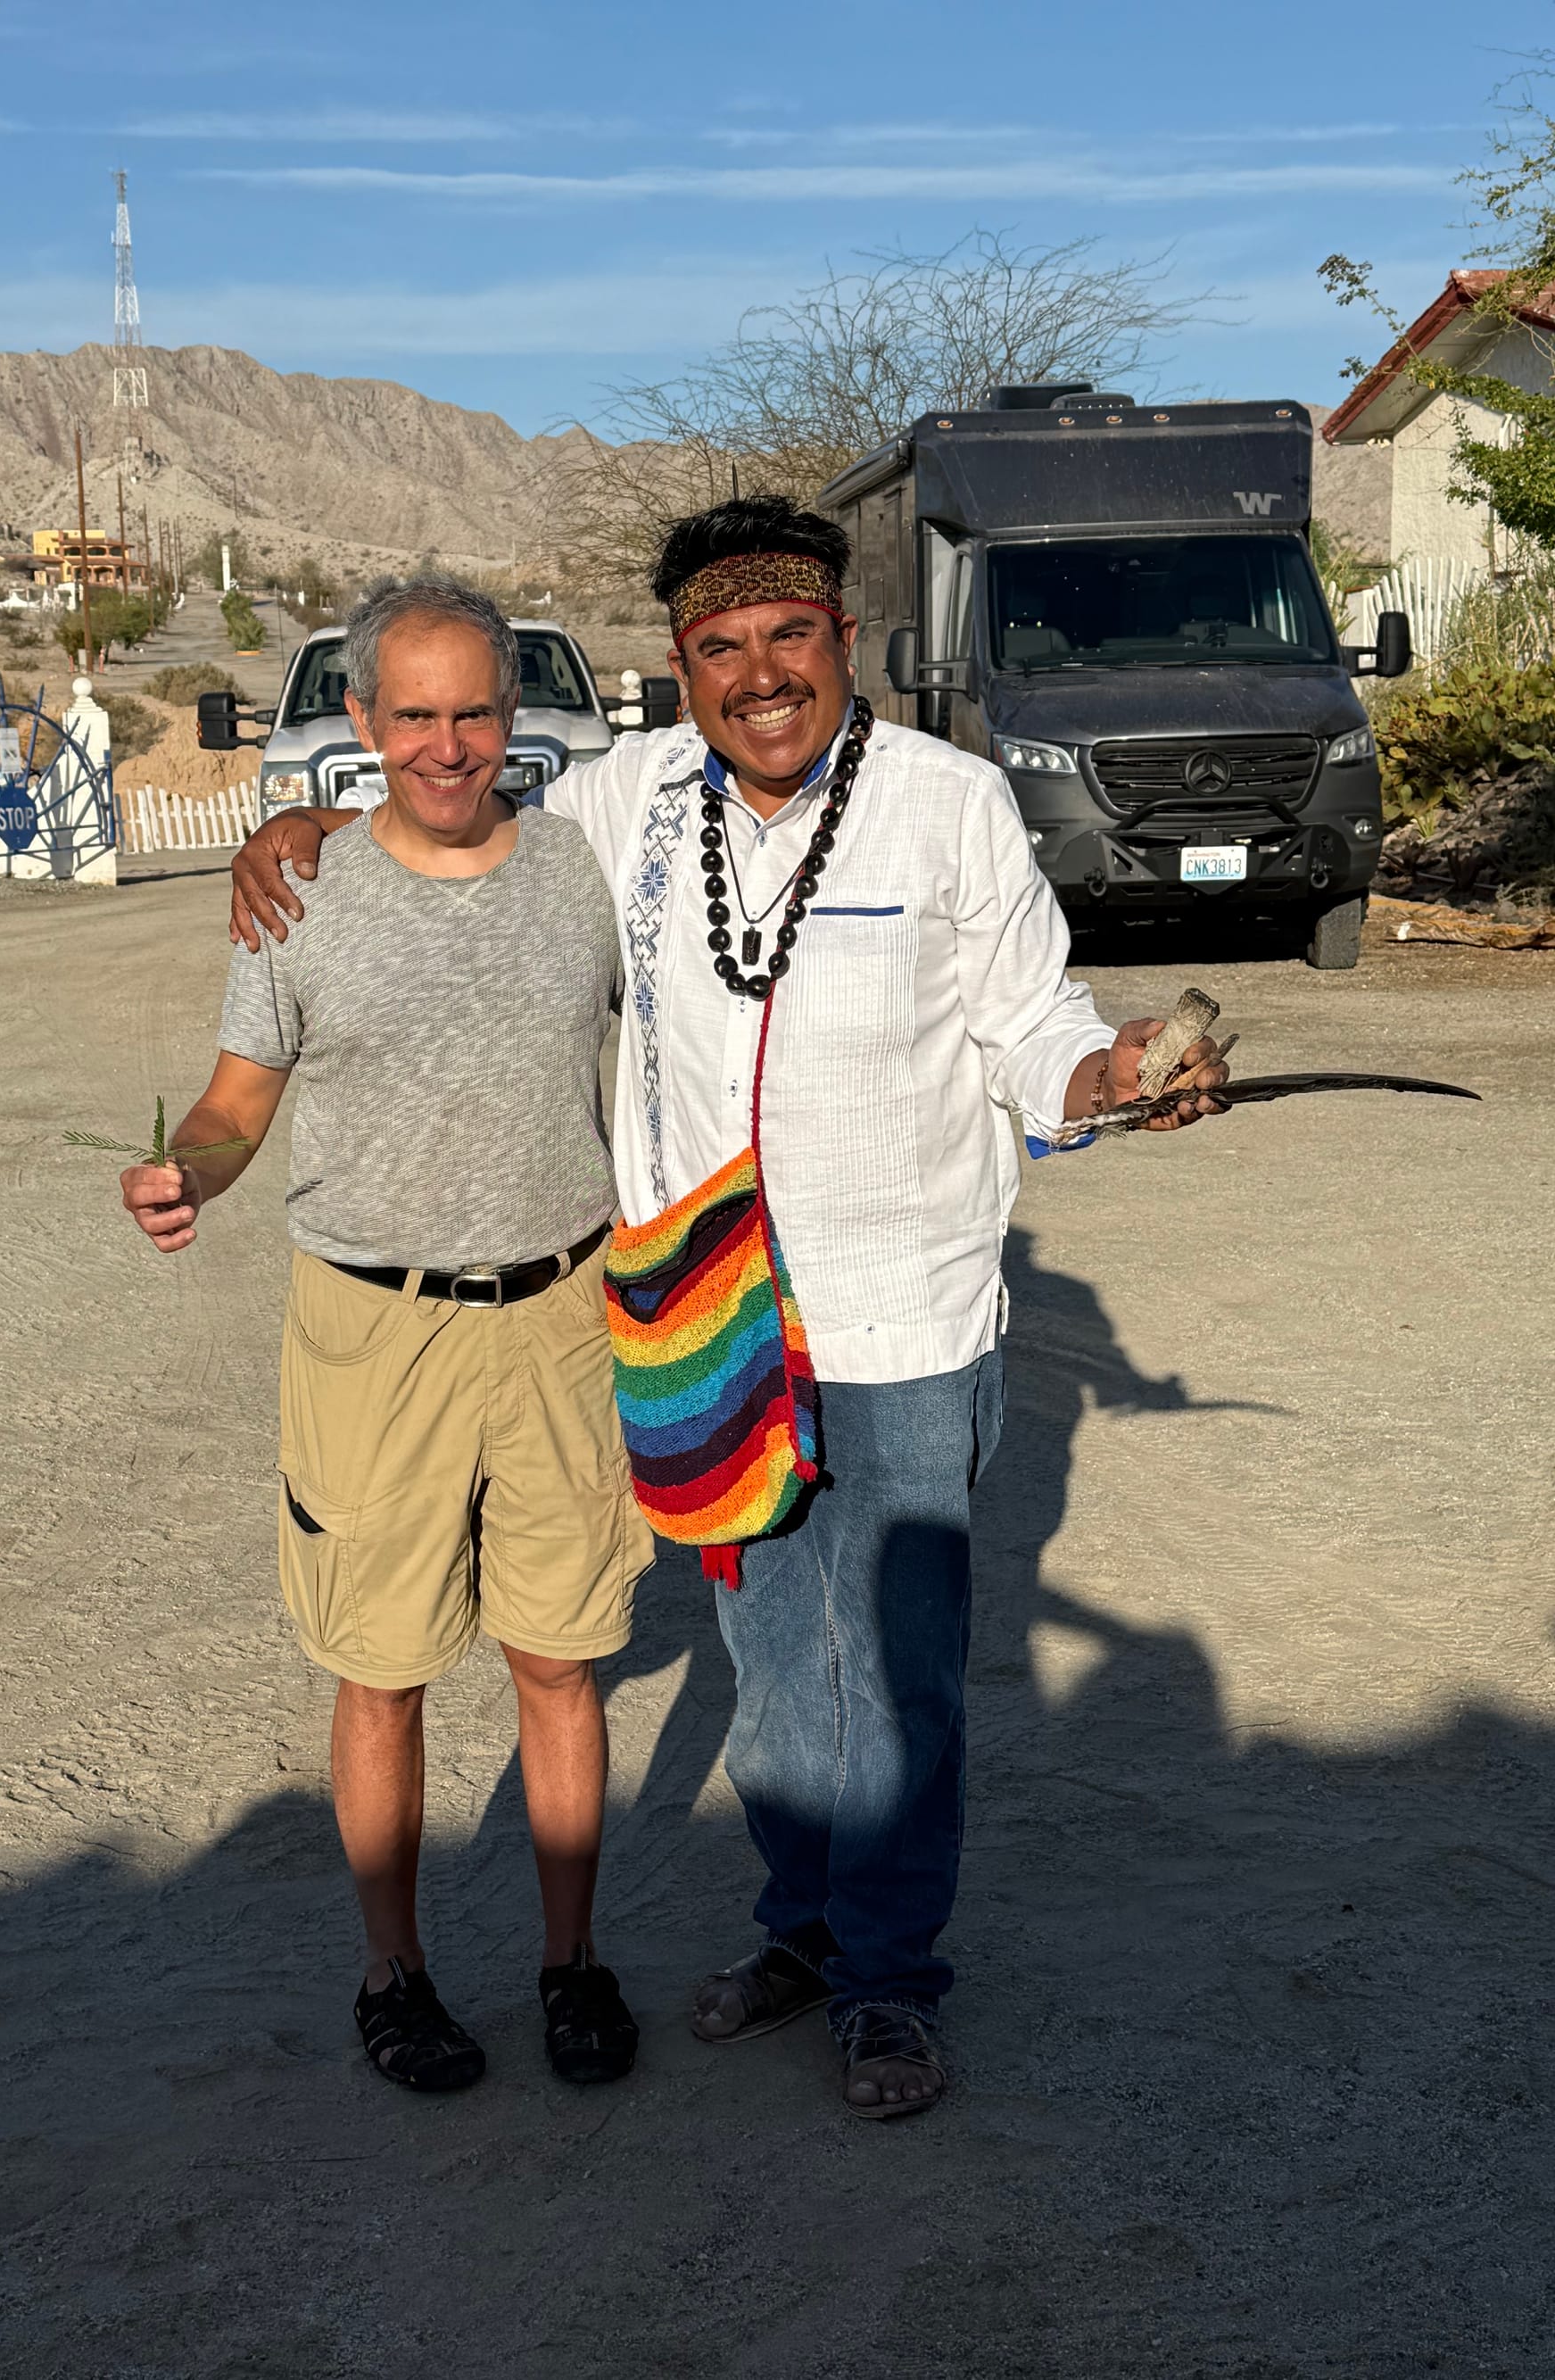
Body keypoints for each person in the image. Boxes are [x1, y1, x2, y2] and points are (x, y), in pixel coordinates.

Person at [229, 498, 1228, 2121]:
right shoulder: (622, 802)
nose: (762, 674)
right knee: (769, 1667)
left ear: (848, 642)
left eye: (791, 637)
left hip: (902, 1315)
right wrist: (299, 830)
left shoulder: (951, 805)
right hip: (711, 1323)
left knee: (896, 1675)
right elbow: (447, 804)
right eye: (721, 647)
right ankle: (803, 1930)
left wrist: (1109, 1076)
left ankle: (890, 1982)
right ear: (679, 669)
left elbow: (1033, 1025)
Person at [121, 575, 650, 2095]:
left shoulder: (586, 871)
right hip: (375, 1325)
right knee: (382, 1664)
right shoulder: (298, 894)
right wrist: (188, 1174)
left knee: (560, 1659)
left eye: (473, 711)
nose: (446, 745)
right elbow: (236, 1101)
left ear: (515, 712)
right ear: (360, 720)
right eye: (412, 715)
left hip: (563, 1316)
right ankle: (393, 1974)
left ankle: (571, 1961)